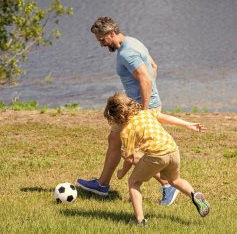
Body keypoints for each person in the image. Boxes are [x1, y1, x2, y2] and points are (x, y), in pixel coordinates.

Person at [77, 16, 205, 205]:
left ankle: (167, 185)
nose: (101, 44)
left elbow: (145, 79)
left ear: (111, 33)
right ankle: (103, 184)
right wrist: (151, 96)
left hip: (137, 108)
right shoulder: (133, 42)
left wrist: (144, 111)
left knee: (135, 150)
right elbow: (153, 66)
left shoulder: (126, 53)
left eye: (102, 39)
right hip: (143, 104)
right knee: (115, 140)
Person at [104, 92, 210, 226]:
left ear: (116, 117)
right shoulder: (145, 113)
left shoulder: (126, 131)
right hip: (173, 150)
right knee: (175, 180)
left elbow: (129, 159)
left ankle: (139, 220)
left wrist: (122, 173)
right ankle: (194, 195)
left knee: (133, 182)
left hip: (156, 156)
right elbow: (165, 117)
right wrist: (188, 125)